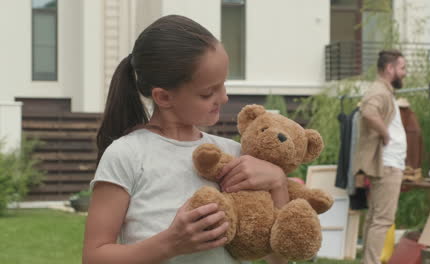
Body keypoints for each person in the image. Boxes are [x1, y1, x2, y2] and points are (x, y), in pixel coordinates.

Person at [82, 15, 289, 264]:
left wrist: (278, 183)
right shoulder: (128, 155)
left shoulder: (236, 157)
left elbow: (277, 258)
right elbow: (94, 256)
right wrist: (171, 243)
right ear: (164, 97)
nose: (223, 98)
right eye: (208, 92)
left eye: (223, 84)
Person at [352, 49, 407, 264]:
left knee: (376, 218)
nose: (405, 73)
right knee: (382, 220)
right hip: (388, 164)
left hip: (387, 164)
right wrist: (385, 134)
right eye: (402, 68)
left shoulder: (383, 90)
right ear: (390, 68)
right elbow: (368, 112)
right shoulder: (380, 92)